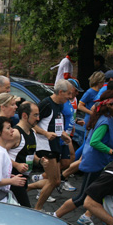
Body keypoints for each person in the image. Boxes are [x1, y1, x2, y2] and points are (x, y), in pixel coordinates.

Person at [53, 90, 113, 225]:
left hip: (100, 162)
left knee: (100, 195)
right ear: (109, 105)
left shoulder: (108, 118)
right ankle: (54, 216)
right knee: (81, 198)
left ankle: (87, 217)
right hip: (95, 164)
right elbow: (95, 142)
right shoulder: (105, 121)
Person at [34, 79, 73, 211]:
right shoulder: (46, 104)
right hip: (45, 145)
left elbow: (55, 124)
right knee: (53, 181)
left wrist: (62, 134)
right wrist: (45, 133)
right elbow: (31, 123)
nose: (70, 97)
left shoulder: (60, 106)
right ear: (60, 92)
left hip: (54, 144)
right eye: (68, 94)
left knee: (56, 181)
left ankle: (26, 188)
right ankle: (38, 208)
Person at [8, 101, 40, 207]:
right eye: (35, 115)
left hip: (24, 179)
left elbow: (29, 154)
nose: (38, 118)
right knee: (25, 209)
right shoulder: (16, 134)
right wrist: (17, 165)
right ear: (25, 115)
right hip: (13, 180)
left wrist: (40, 161)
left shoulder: (33, 133)